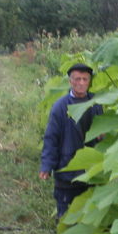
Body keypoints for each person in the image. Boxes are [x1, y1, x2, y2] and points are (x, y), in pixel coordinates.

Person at [39, 63, 103, 218]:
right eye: (77, 79)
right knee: (67, 211)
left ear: (89, 81)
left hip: (91, 168)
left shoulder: (96, 104)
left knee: (89, 210)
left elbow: (102, 129)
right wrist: (47, 165)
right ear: (70, 81)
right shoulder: (60, 107)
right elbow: (51, 138)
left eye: (85, 79)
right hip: (68, 168)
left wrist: (102, 134)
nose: (81, 83)